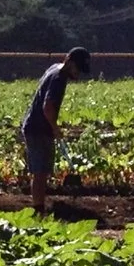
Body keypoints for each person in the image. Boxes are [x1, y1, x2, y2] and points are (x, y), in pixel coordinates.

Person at [21, 46, 92, 214]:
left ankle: (41, 206)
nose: (78, 74)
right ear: (69, 63)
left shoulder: (55, 68)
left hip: (37, 125)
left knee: (43, 170)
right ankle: (38, 210)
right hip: (38, 128)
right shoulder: (59, 78)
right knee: (40, 171)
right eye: (77, 69)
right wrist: (54, 128)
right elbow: (48, 107)